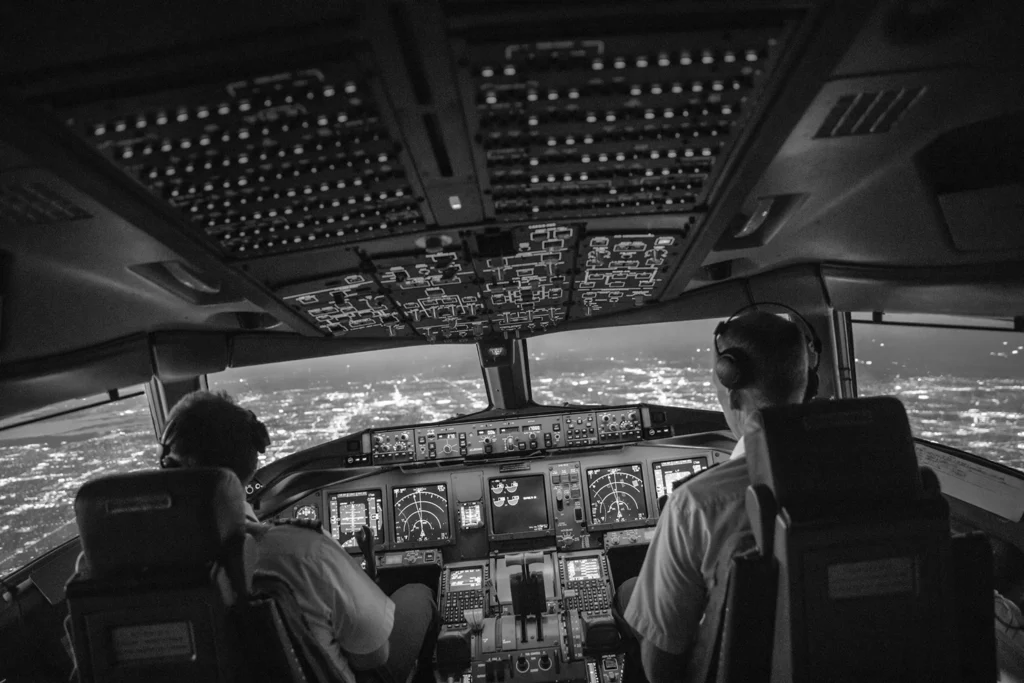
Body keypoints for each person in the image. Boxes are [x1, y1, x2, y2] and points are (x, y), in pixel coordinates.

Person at [160, 390, 439, 683]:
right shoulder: (303, 552)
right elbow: (374, 656)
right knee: (418, 594)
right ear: (251, 459)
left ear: (167, 465)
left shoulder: (150, 564)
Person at [616, 309, 819, 683]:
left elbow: (660, 670)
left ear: (731, 385)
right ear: (807, 378)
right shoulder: (875, 477)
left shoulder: (696, 505)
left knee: (629, 594)